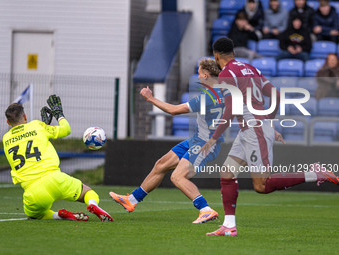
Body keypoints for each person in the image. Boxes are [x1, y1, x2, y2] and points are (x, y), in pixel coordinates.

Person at [200, 37, 339, 236]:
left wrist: (214, 137)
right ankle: (229, 226)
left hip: (253, 129)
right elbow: (276, 95)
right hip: (251, 128)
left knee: (262, 185)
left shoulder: (226, 75)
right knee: (227, 173)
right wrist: (268, 121)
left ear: (215, 55)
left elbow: (230, 108)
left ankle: (314, 174)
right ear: (234, 53)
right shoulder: (251, 68)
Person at [109, 59, 227, 224]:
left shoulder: (207, 97)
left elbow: (174, 110)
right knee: (161, 164)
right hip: (197, 139)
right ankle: (132, 200)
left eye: (199, 73)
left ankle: (205, 209)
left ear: (206, 75)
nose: (198, 76)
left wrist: (150, 99)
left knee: (177, 177)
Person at [3, 95, 113, 222]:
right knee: (88, 192)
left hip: (33, 191)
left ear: (8, 122)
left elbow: (25, 142)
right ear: (25, 116)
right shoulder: (37, 126)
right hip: (55, 179)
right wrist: (59, 115)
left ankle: (59, 215)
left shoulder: (6, 139)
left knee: (34, 215)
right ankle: (93, 205)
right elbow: (66, 130)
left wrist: (45, 125)